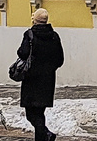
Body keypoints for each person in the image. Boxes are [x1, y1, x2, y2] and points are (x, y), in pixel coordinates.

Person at [17, 8, 63, 141]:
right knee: (40, 112)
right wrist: (49, 69)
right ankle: (44, 136)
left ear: (35, 20)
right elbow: (60, 60)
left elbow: (22, 53)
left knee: (31, 114)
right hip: (47, 80)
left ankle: (46, 134)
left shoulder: (30, 35)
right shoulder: (54, 36)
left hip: (31, 79)